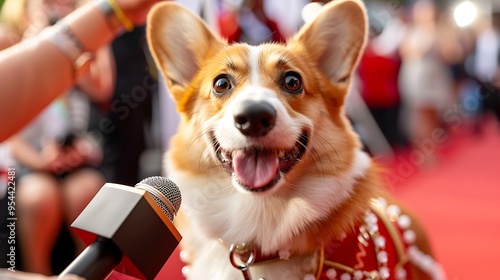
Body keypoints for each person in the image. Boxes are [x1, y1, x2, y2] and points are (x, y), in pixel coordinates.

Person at [0, 0, 162, 142]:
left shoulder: (93, 40)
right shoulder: (9, 40)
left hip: (79, 140)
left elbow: (101, 90)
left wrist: (69, 56)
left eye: (69, 3)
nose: (58, 9)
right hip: (30, 149)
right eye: (49, 3)